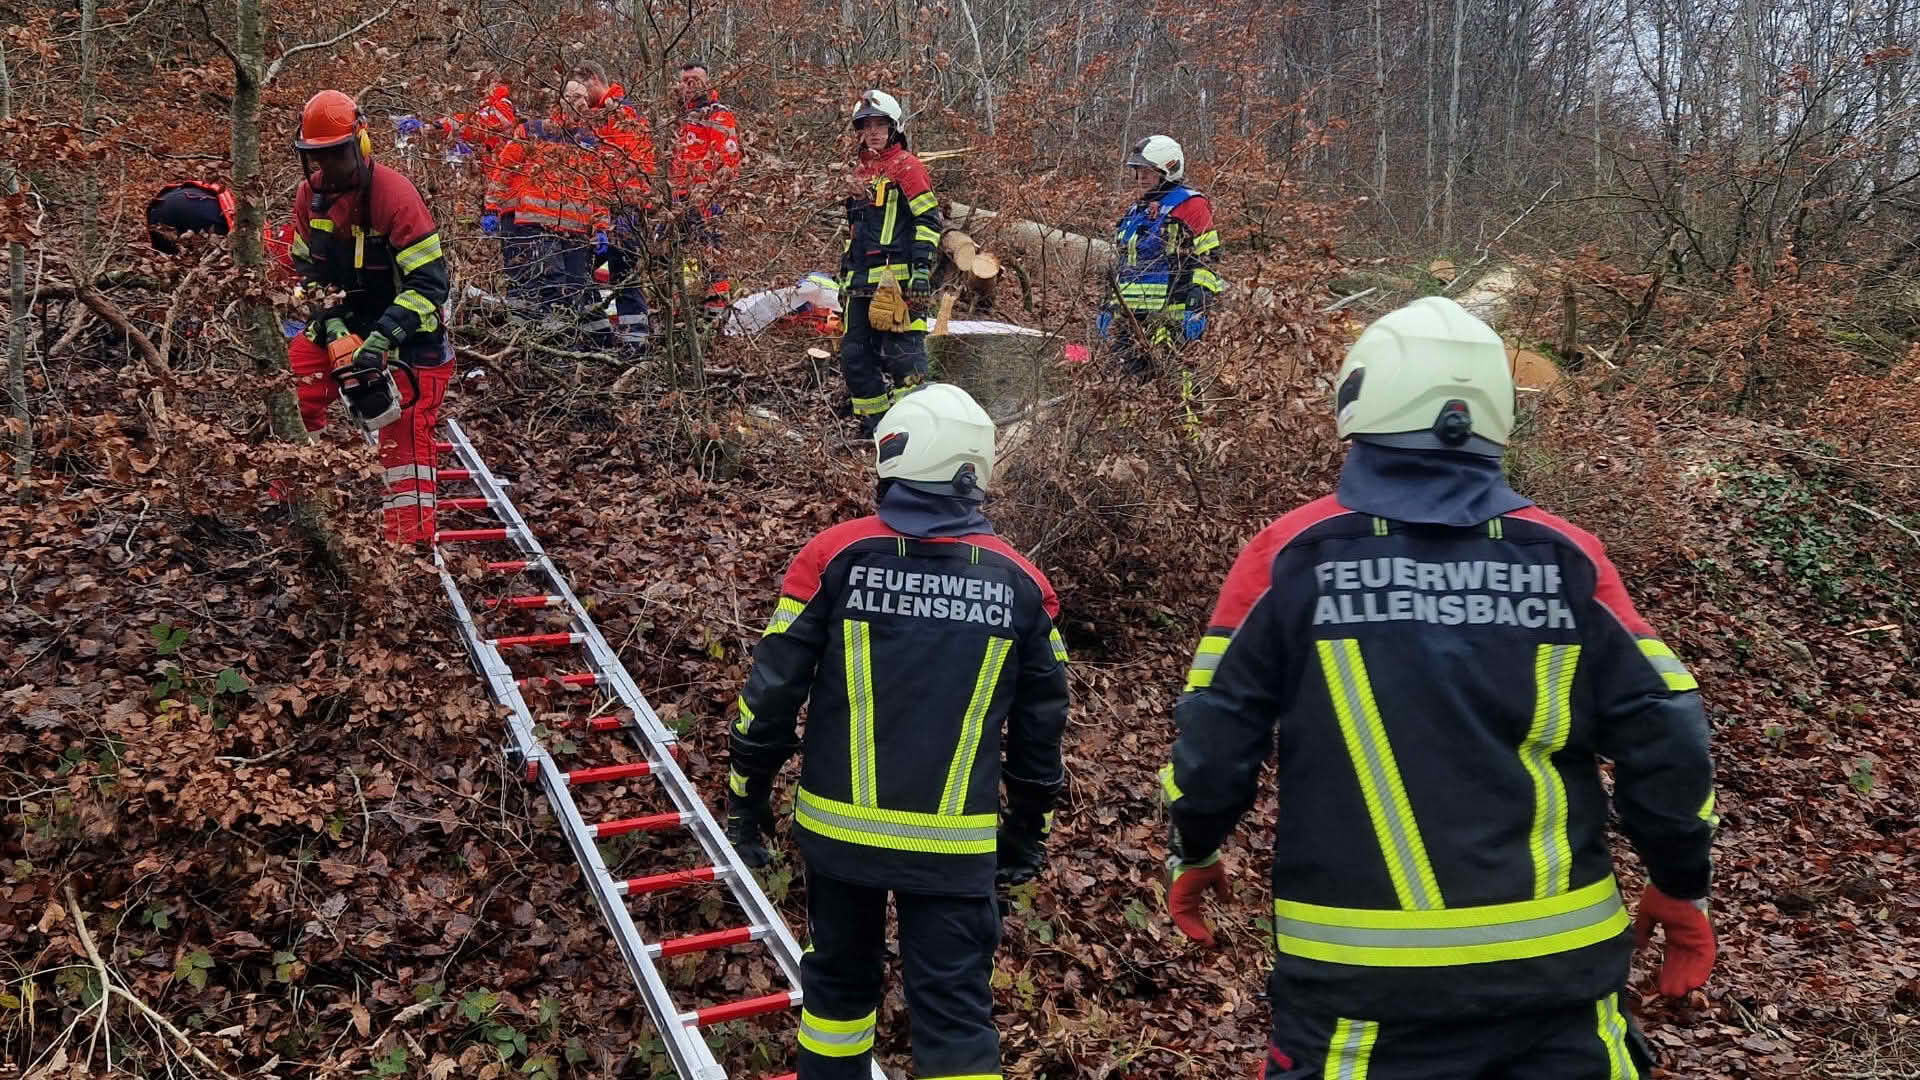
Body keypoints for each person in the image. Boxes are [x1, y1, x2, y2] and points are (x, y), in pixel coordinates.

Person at [1157, 296, 1718, 1078]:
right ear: (1497, 415)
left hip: (1363, 994)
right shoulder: (1572, 561)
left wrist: (1195, 846)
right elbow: (1669, 734)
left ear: (1357, 402)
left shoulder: (1288, 558)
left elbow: (1213, 745)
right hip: (1557, 984)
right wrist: (1681, 884)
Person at [725, 383, 1069, 1080]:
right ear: (976, 470)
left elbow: (770, 694)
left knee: (836, 1004)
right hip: (953, 851)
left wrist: (746, 800)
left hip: (840, 840)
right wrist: (1028, 832)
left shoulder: (831, 557)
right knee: (955, 1020)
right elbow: (1040, 733)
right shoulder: (1024, 587)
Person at [286, 90, 453, 544]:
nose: (328, 167)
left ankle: (411, 546)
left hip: (409, 332)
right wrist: (333, 322)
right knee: (291, 387)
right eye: (318, 156)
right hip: (346, 322)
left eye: (336, 154)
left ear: (359, 145)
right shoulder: (310, 197)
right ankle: (297, 506)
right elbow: (306, 272)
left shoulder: (393, 195)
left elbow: (431, 286)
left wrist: (382, 338)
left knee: (405, 436)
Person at [836, 90, 941, 438]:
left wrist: (922, 269)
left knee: (903, 356)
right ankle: (877, 426)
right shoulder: (858, 173)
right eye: (867, 125)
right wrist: (843, 277)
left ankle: (914, 426)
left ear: (894, 127)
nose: (874, 131)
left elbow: (928, 220)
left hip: (899, 279)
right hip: (859, 281)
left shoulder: (907, 166)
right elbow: (853, 230)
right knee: (855, 355)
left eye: (881, 124)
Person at [486, 84, 611, 330]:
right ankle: (530, 342)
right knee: (542, 283)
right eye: (575, 97)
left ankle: (562, 344)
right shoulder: (533, 131)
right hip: (535, 224)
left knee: (575, 287)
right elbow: (505, 169)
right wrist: (492, 208)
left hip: (575, 231)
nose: (582, 103)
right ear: (560, 100)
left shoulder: (589, 141)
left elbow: (600, 188)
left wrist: (601, 226)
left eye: (585, 98)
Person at [1100, 135, 1224, 377]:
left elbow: (1207, 258)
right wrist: (1108, 304)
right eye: (1137, 170)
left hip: (1171, 316)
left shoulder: (1191, 205)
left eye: (1148, 170)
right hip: (1129, 318)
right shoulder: (1136, 211)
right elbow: (1123, 264)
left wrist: (1197, 305)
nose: (1141, 177)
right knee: (1126, 390)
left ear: (1168, 169)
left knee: (1176, 386)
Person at [572, 60, 656, 353]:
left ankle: (635, 342)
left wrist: (605, 211)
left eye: (583, 88)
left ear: (594, 80)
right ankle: (601, 337)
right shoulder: (598, 116)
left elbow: (618, 167)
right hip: (605, 209)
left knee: (623, 275)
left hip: (624, 209)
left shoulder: (619, 112)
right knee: (582, 275)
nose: (581, 98)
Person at [666, 61, 743, 312]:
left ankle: (716, 303)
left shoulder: (717, 114)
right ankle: (684, 302)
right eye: (685, 80)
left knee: (711, 247)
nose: (689, 86)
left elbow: (729, 159)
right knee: (684, 250)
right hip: (680, 196)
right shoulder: (679, 115)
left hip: (706, 197)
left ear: (707, 83)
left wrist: (711, 192)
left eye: (695, 80)